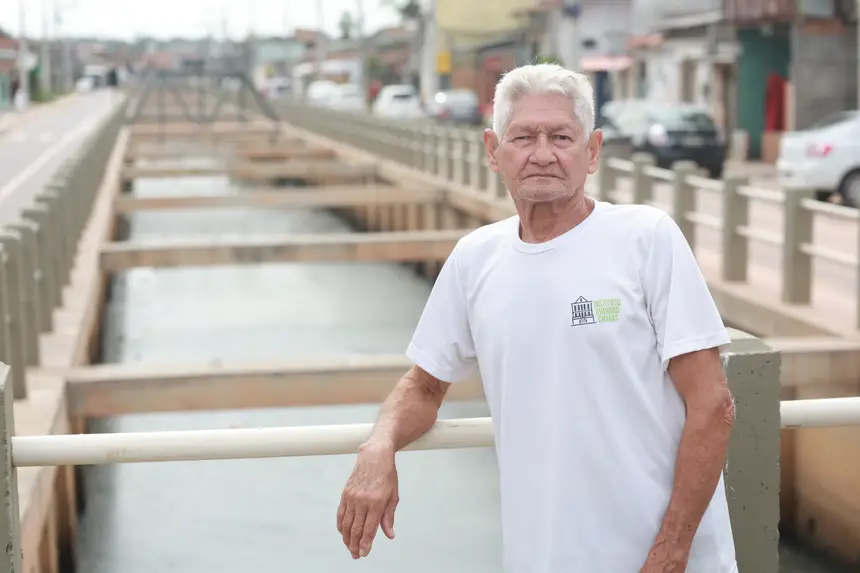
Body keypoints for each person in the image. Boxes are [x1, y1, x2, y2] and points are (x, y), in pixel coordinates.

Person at [336, 63, 737, 572]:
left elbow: (713, 403)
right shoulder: (474, 259)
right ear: (492, 151)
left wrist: (674, 548)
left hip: (664, 562)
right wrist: (379, 444)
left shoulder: (647, 239)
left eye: (561, 137)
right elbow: (424, 386)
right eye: (523, 136)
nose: (543, 153)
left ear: (591, 151)